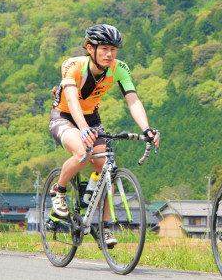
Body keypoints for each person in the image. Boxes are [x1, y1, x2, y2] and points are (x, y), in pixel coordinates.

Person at [48, 24, 160, 246]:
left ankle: (103, 226)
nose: (110, 54)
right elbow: (71, 99)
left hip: (92, 119)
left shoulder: (120, 69)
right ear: (90, 48)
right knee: (83, 151)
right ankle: (58, 189)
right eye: (105, 48)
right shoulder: (73, 65)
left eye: (114, 49)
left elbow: (133, 100)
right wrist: (83, 129)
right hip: (64, 116)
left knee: (106, 167)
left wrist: (147, 128)